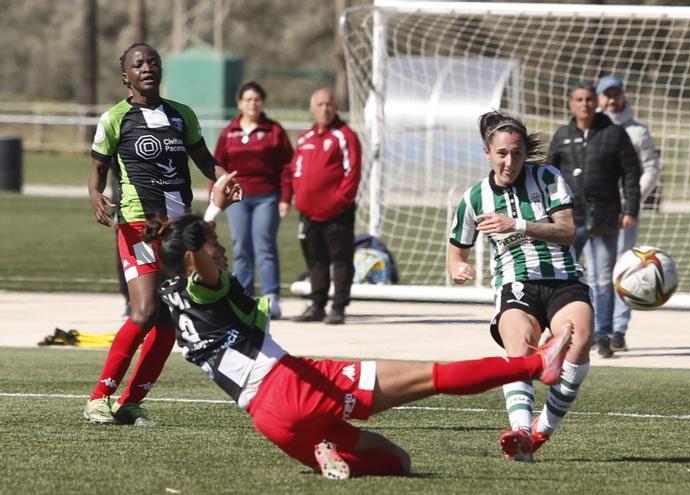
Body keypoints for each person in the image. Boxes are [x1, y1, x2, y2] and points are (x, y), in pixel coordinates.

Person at [144, 188, 573, 479]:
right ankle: (538, 363)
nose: (220, 250)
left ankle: (327, 449)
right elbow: (197, 255)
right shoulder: (205, 282)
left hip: (271, 422)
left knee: (397, 461)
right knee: (433, 376)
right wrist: (205, 227)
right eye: (213, 244)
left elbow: (177, 251)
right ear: (193, 256)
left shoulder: (171, 291)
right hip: (293, 385)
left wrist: (212, 211)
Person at [84, 43, 236, 425]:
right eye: (138, 64)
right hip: (137, 226)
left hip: (177, 232)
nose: (147, 67)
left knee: (169, 322)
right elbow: (98, 169)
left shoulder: (182, 115)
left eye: (153, 61)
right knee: (145, 311)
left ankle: (130, 402)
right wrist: (95, 195)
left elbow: (205, 162)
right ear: (126, 75)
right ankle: (99, 397)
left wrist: (226, 178)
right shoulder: (114, 119)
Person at [447, 110, 594, 462]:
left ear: (525, 153)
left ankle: (542, 430)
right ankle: (522, 433)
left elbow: (569, 231)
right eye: (502, 153)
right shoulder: (474, 198)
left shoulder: (547, 177)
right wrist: (459, 268)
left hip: (563, 278)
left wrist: (517, 224)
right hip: (516, 283)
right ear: (487, 153)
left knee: (580, 339)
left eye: (516, 152)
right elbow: (456, 253)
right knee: (518, 346)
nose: (509, 160)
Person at [548, 83, 641, 359]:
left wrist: (630, 210)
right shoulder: (562, 135)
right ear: (570, 104)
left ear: (595, 103)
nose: (584, 104)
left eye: (589, 99)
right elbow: (547, 174)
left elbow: (631, 175)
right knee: (559, 276)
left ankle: (602, 335)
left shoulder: (614, 134)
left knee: (602, 280)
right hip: (568, 220)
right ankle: (555, 331)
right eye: (579, 99)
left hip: (604, 218)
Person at [281, 88, 361, 325]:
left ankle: (338, 306)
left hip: (337, 213)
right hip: (308, 213)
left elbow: (352, 173)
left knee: (340, 259)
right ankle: (317, 305)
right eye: (320, 104)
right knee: (315, 260)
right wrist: (293, 197)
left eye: (329, 104)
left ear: (335, 108)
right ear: (312, 108)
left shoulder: (345, 136)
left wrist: (339, 202)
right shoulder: (305, 138)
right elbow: (293, 170)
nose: (324, 109)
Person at [214, 80, 293, 320]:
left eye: (257, 99)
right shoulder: (230, 132)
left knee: (264, 245)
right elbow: (217, 166)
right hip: (237, 199)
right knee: (240, 247)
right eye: (247, 99)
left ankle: (271, 298)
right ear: (239, 103)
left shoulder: (274, 131)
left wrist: (285, 197)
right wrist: (216, 197)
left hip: (267, 197)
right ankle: (243, 299)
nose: (252, 103)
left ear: (263, 103)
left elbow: (288, 166)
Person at [596, 74, 662, 354]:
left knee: (625, 269)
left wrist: (631, 200)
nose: (612, 99)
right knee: (596, 271)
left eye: (616, 94)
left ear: (623, 96)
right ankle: (598, 327)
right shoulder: (590, 130)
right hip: (597, 210)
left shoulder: (638, 132)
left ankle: (618, 330)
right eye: (606, 94)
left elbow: (651, 168)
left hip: (624, 210)